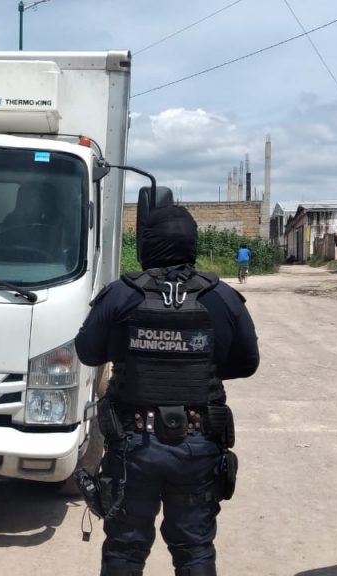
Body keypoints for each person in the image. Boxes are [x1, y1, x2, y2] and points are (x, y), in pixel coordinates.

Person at [76, 205, 259, 576]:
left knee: (125, 549)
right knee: (195, 549)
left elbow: (88, 352)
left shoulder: (120, 295)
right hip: (198, 443)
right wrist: (201, 364)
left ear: (147, 244)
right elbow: (246, 363)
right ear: (192, 243)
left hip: (133, 446)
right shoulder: (222, 296)